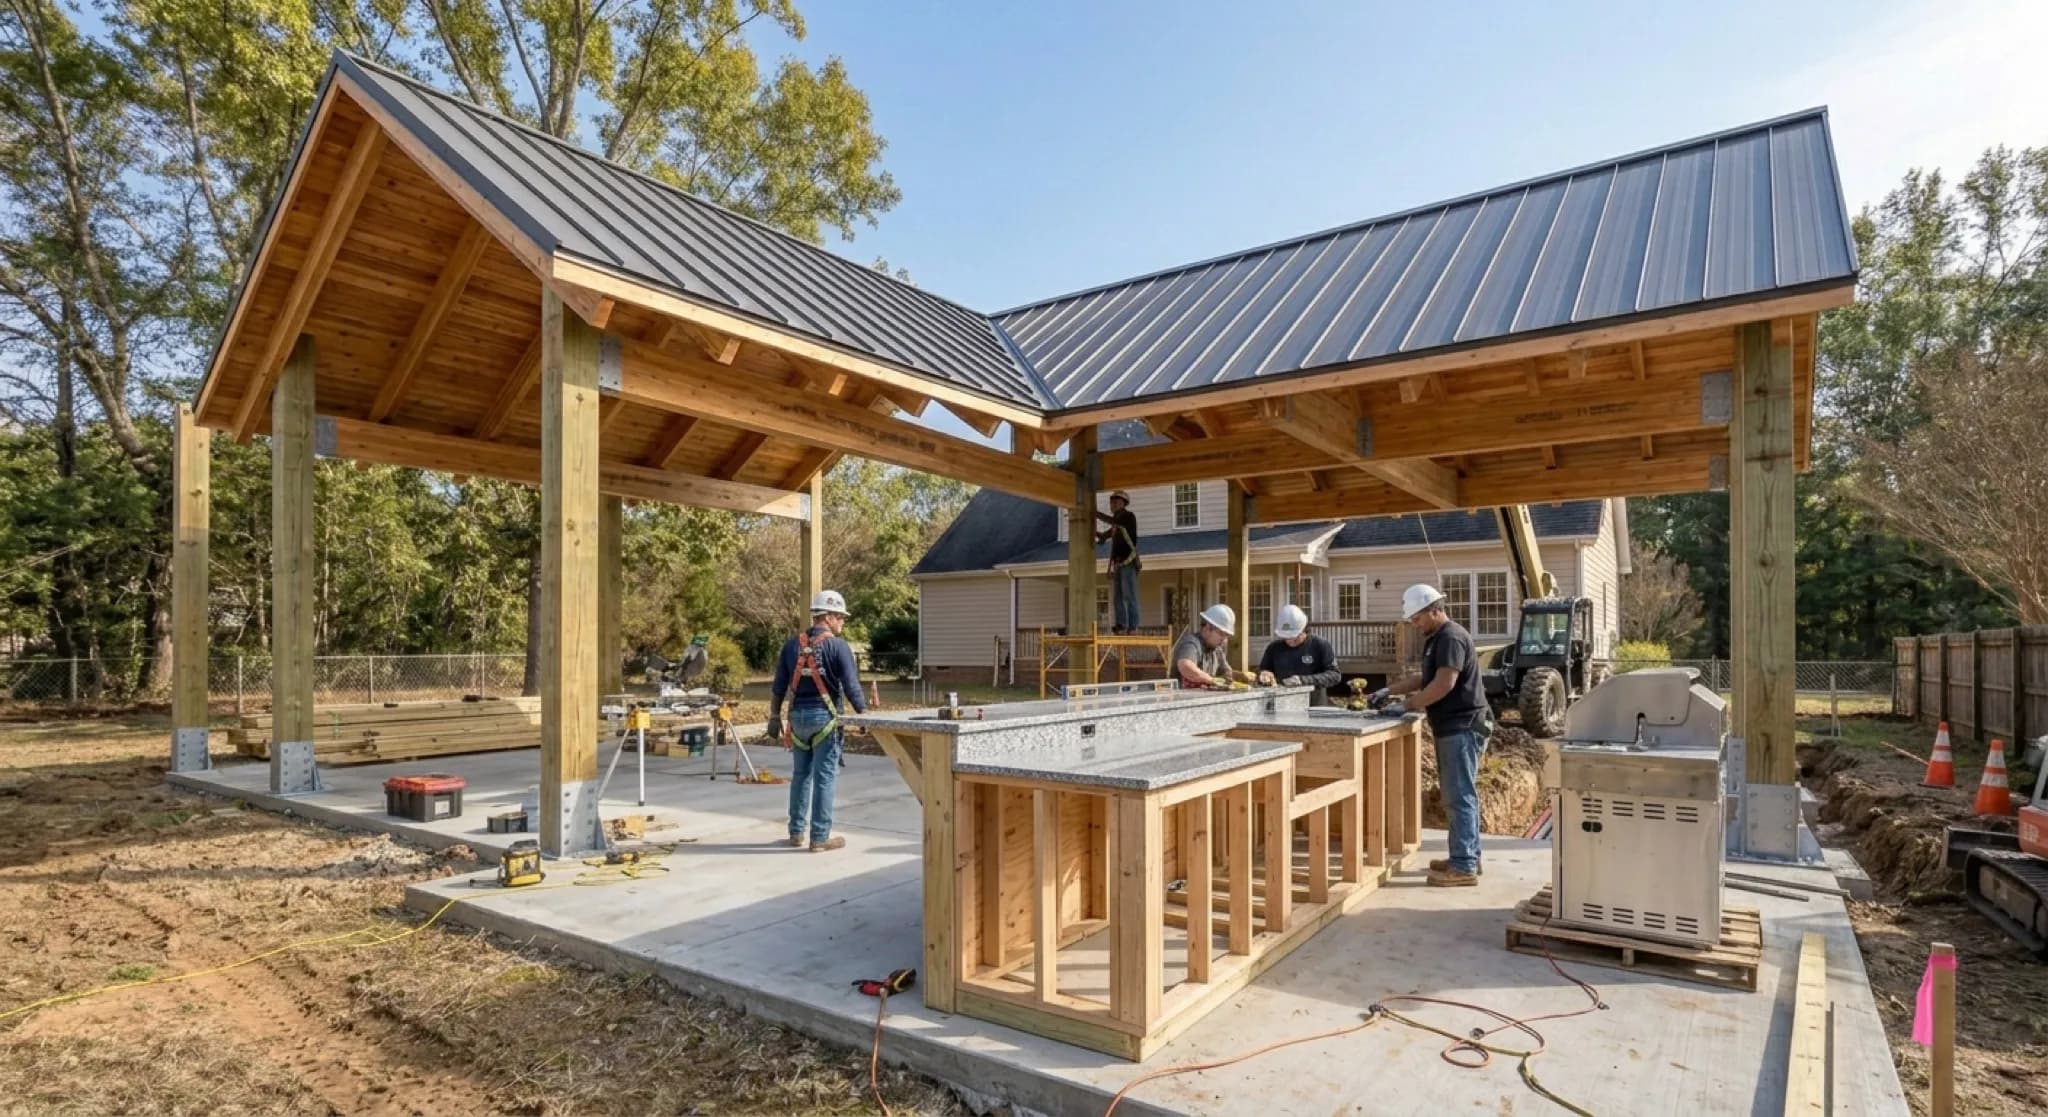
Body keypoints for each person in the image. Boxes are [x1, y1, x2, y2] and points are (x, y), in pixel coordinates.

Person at [1372, 584, 1489, 887]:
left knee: (1458, 796)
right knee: (1460, 795)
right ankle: (1467, 856)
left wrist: (1407, 706)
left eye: (1418, 618)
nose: (1415, 624)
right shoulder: (1437, 638)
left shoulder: (1450, 637)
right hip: (1455, 726)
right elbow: (1426, 678)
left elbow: (1444, 685)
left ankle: (1463, 866)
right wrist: (1388, 690)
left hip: (1461, 726)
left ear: (1435, 610)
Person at [767, 590, 867, 852]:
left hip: (798, 719)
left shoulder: (791, 646)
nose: (843, 623)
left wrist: (774, 715)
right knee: (825, 777)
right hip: (825, 719)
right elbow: (851, 686)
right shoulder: (838, 647)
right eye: (841, 618)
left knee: (800, 775)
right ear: (830, 616)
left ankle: (796, 832)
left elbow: (779, 686)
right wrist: (864, 716)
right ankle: (820, 836)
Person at [1257, 605, 1342, 705]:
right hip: (1283, 706)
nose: (1290, 641)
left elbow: (1335, 675)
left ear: (1304, 630)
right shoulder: (1274, 648)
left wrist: (1303, 680)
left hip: (1313, 706)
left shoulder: (1320, 645)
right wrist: (1264, 674)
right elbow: (1263, 670)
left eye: (1294, 637)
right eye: (1286, 637)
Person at [1173, 604, 1255, 689]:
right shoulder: (1191, 643)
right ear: (1208, 628)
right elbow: (1186, 666)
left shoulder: (1216, 649)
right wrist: (1212, 680)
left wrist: (1241, 676)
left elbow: (1226, 674)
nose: (1224, 640)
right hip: (1181, 699)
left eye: (1227, 636)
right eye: (1221, 634)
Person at [1094, 490, 1140, 633]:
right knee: (1117, 597)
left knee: (1129, 595)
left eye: (1116, 502)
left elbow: (1113, 522)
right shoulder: (1116, 525)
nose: (1113, 505)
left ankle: (1133, 627)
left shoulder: (1127, 517)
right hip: (1118, 563)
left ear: (1123, 504)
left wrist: (1095, 513)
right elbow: (1104, 537)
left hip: (1128, 561)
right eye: (1112, 502)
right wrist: (1097, 534)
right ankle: (1121, 624)